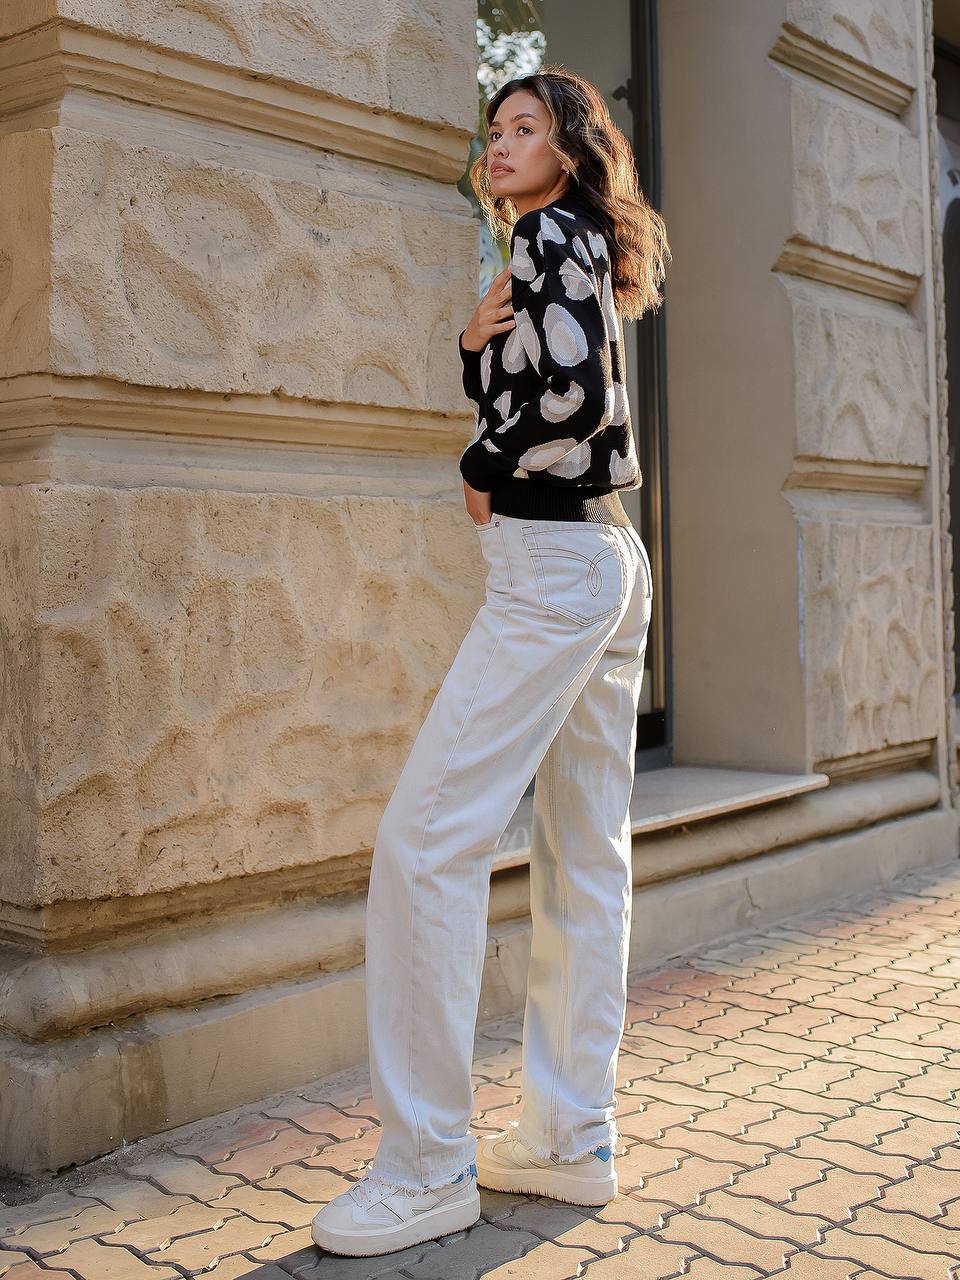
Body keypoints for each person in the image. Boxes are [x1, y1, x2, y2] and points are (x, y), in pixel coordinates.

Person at [311, 67, 670, 1258]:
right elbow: (554, 375)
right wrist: (472, 347)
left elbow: (569, 395)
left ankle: (423, 1166)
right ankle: (567, 1136)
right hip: (602, 560)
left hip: (553, 571)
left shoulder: (549, 234)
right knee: (582, 856)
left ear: (569, 147)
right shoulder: (555, 249)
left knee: (424, 843)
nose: (503, 142)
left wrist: (479, 464)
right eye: (495, 128)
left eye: (527, 126)